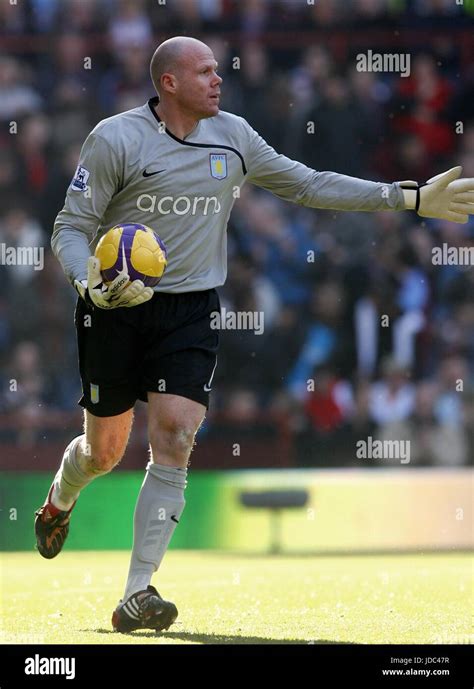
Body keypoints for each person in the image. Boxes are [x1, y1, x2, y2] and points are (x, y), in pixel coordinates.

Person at [34, 36, 474, 634]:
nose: (219, 80)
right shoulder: (115, 138)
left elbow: (309, 183)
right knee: (104, 451)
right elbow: (71, 225)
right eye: (205, 72)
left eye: (218, 70)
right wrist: (89, 280)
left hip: (189, 308)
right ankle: (62, 496)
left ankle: (138, 591)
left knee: (176, 434)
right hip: (112, 306)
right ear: (169, 83)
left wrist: (410, 196)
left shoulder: (234, 136)